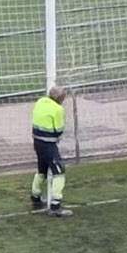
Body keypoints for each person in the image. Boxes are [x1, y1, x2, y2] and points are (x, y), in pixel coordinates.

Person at [31, 86, 73, 217]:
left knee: (42, 170)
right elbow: (59, 129)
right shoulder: (58, 109)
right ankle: (55, 205)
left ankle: (35, 197)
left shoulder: (41, 101)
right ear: (60, 98)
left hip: (37, 142)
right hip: (48, 144)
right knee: (59, 171)